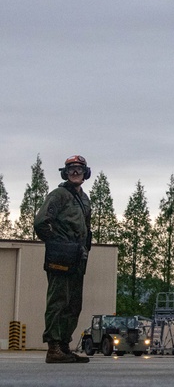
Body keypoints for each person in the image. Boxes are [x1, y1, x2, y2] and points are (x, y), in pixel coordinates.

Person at [34, 155, 93, 364]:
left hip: (78, 257)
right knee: (58, 299)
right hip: (62, 255)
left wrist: (84, 249)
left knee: (74, 303)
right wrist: (56, 244)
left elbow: (86, 228)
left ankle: (65, 346)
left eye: (79, 169)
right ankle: (53, 347)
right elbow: (41, 222)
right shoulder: (58, 195)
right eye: (71, 170)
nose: (75, 172)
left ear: (86, 173)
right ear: (65, 174)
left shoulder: (84, 199)